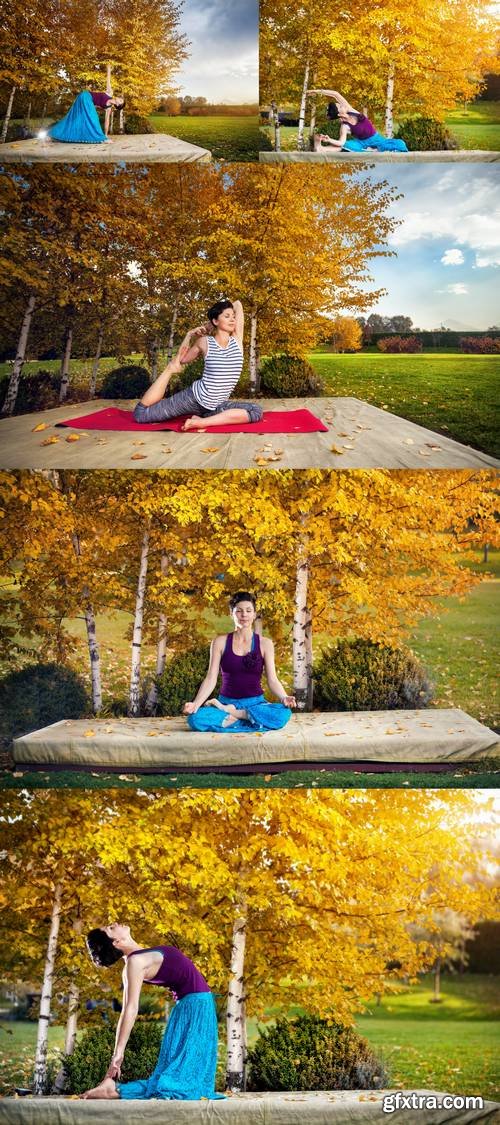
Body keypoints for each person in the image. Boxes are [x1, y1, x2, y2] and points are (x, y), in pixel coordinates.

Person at [82, 923, 223, 1101]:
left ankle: (111, 1089)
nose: (115, 923)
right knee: (183, 1086)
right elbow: (130, 1009)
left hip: (195, 1007)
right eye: (110, 928)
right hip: (194, 1008)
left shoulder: (140, 955)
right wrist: (118, 1054)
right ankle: (113, 1091)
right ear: (116, 942)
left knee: (193, 1080)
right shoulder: (135, 962)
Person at [133, 299, 263, 430]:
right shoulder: (204, 342)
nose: (232, 320)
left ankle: (201, 422)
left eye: (233, 317)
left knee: (255, 411)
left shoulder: (237, 339)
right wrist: (189, 335)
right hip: (193, 398)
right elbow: (182, 360)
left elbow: (238, 304)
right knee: (141, 415)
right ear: (216, 321)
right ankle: (169, 371)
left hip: (216, 406)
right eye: (227, 316)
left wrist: (209, 325)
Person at [183, 592, 296, 732]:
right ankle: (252, 721)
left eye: (249, 611)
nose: (244, 615)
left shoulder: (265, 644)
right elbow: (211, 678)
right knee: (194, 719)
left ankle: (233, 716)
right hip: (227, 701)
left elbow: (272, 680)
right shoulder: (220, 642)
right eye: (239, 611)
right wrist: (195, 704)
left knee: (282, 714)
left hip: (255, 704)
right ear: (231, 613)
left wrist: (284, 697)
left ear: (254, 614)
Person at [308, 88, 408, 153]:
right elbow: (341, 142)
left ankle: (374, 150)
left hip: (377, 139)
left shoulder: (350, 110)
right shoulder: (344, 126)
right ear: (339, 113)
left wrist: (317, 92)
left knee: (400, 143)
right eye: (340, 106)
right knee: (346, 146)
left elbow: (336, 94)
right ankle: (321, 149)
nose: (342, 104)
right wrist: (329, 139)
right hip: (361, 143)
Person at [48, 90, 125, 144]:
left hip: (86, 100)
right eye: (121, 99)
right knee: (94, 117)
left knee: (74, 119)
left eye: (121, 101)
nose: (120, 98)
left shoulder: (108, 108)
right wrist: (108, 68)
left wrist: (105, 135)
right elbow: (108, 79)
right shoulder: (109, 93)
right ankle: (101, 139)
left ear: (117, 105)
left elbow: (107, 122)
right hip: (85, 95)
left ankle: (53, 134)